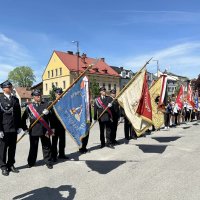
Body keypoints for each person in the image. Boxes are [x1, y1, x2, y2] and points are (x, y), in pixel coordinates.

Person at [21, 89, 54, 169]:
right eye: (36, 95)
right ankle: (31, 162)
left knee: (46, 146)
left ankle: (48, 162)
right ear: (34, 97)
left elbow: (52, 118)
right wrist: (25, 128)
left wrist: (49, 113)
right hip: (33, 130)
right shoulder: (29, 107)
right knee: (33, 147)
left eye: (39, 95)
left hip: (44, 130)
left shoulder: (46, 105)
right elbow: (23, 119)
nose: (38, 96)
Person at [0, 80, 22, 176]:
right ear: (3, 88)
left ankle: (11, 164)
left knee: (13, 148)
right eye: (8, 87)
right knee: (3, 148)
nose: (10, 88)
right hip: (4, 128)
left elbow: (18, 114)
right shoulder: (0, 100)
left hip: (14, 128)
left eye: (11, 86)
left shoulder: (15, 99)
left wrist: (20, 126)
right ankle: (3, 166)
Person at [51, 88, 69, 161]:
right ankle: (54, 156)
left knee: (62, 141)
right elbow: (50, 116)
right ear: (56, 94)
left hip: (62, 125)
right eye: (59, 94)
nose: (60, 95)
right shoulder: (52, 103)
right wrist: (51, 127)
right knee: (54, 142)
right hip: (54, 126)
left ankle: (62, 154)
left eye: (61, 94)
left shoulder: (64, 103)